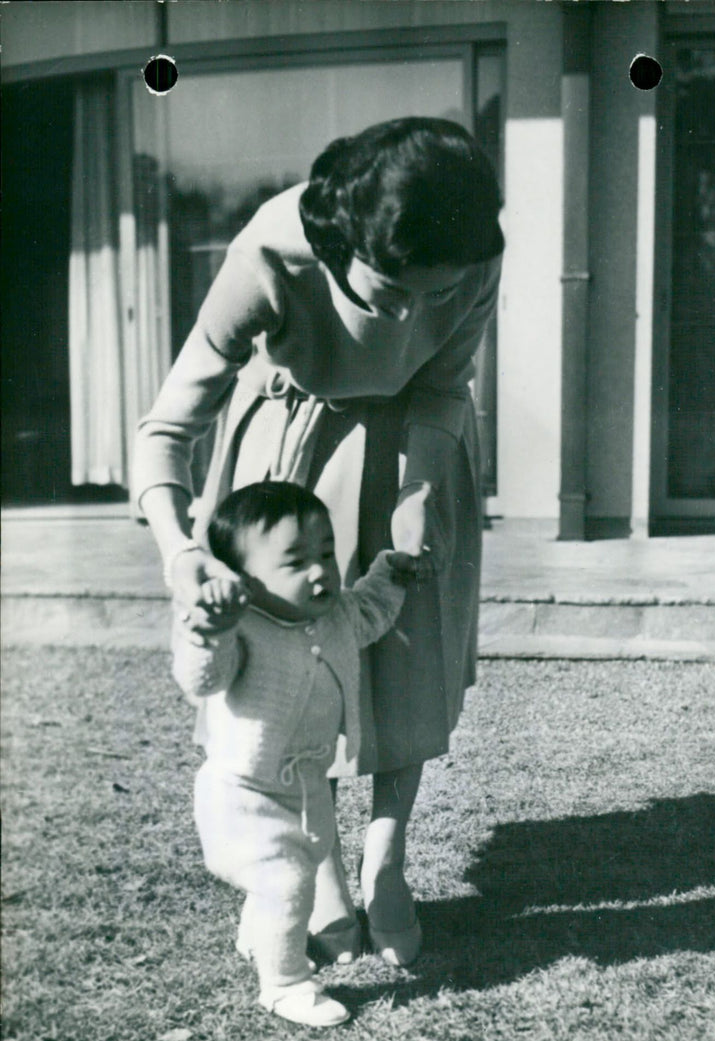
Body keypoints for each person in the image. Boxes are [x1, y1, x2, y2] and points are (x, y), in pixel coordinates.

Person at [133, 115, 505, 968]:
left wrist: (417, 495)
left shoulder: (474, 248)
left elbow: (445, 381)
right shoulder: (270, 253)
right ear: (342, 251)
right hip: (294, 450)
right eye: (392, 293)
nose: (414, 313)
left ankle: (387, 863)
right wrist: (181, 553)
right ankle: (325, 871)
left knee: (410, 657)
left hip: (421, 440)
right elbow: (166, 426)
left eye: (436, 293)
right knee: (298, 670)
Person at [172, 481, 413, 1026]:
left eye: (326, 553)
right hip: (243, 792)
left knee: (294, 868)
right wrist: (207, 630)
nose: (321, 571)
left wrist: (394, 571)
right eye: (296, 561)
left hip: (304, 786)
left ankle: (260, 935)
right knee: (286, 879)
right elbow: (201, 680)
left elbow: (372, 609)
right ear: (245, 580)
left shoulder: (336, 615)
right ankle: (284, 983)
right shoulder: (242, 629)